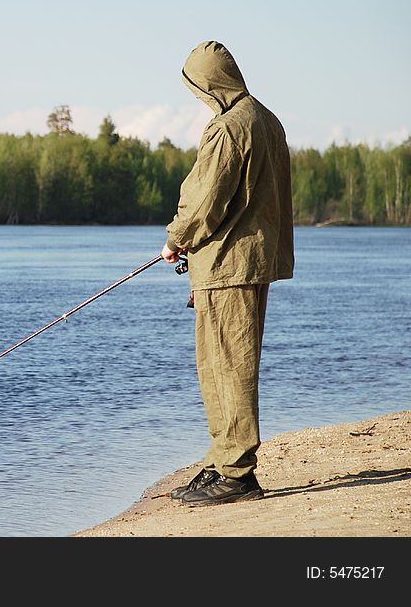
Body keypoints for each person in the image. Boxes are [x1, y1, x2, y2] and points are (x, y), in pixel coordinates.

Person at [161, 41, 294, 506]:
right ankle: (223, 459)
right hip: (245, 262)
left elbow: (203, 201)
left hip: (228, 265)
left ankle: (237, 473)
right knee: (220, 366)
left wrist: (176, 239)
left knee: (228, 368)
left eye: (196, 86)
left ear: (210, 82)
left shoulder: (228, 128)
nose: (197, 96)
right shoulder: (267, 119)